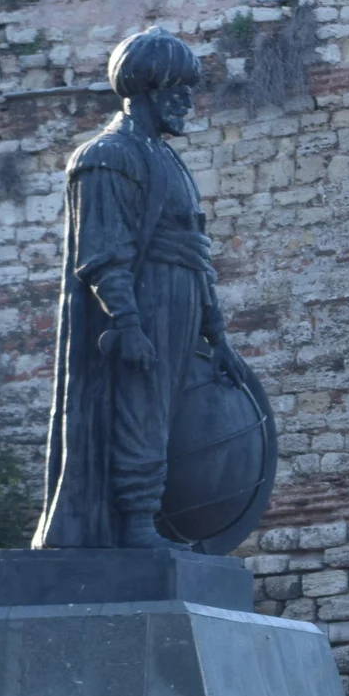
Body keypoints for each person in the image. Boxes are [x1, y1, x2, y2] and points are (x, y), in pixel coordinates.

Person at [31, 27, 240, 549]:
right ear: (147, 88)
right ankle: (138, 524)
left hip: (181, 299)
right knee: (138, 408)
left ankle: (151, 521)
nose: (189, 101)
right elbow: (102, 254)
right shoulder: (105, 156)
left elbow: (196, 248)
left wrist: (216, 333)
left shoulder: (168, 159)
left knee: (166, 414)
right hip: (143, 305)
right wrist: (127, 323)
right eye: (180, 89)